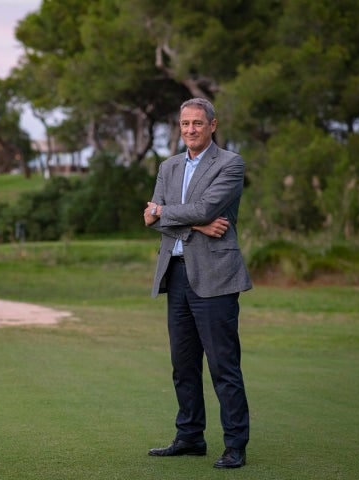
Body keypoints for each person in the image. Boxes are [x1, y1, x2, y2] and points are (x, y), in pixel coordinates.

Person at [143, 97, 252, 469]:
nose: (190, 129)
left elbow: (204, 208)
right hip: (176, 274)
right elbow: (150, 219)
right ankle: (190, 437)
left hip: (216, 277)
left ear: (212, 125)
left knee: (224, 366)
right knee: (184, 364)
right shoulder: (168, 166)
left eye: (197, 124)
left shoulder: (231, 164)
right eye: (185, 123)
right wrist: (195, 224)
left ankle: (235, 445)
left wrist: (168, 213)